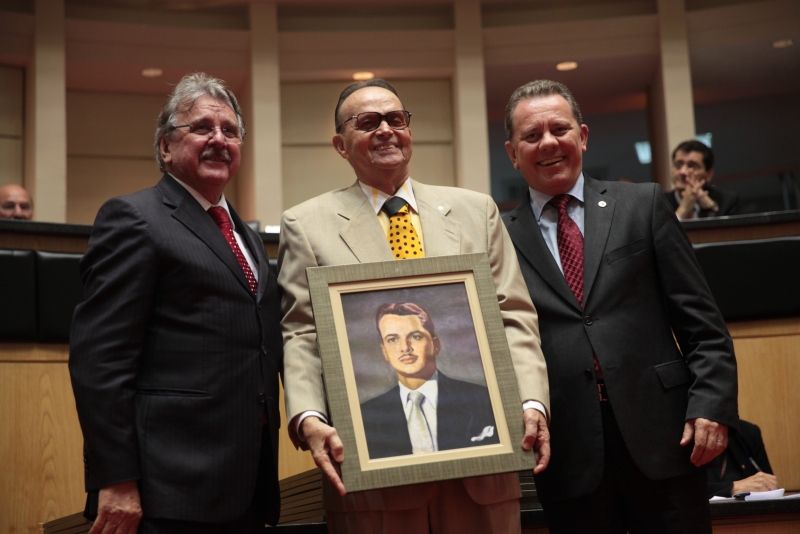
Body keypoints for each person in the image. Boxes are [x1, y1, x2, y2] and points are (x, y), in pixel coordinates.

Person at [278, 78, 550, 534]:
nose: (386, 130)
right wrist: (308, 417)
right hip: (374, 480)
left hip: (480, 471)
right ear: (340, 145)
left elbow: (514, 315)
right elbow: (302, 332)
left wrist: (530, 401)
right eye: (368, 122)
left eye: (396, 119)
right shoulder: (306, 225)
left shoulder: (475, 211)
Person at [502, 79, 738, 533]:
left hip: (667, 440)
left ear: (583, 137)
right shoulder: (500, 236)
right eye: (532, 136)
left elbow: (703, 326)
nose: (548, 142)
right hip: (568, 455)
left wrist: (711, 404)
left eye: (559, 129)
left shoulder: (642, 205)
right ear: (513, 153)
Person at [69, 72, 283, 534]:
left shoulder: (245, 234)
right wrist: (117, 478)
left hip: (244, 485)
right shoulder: (133, 218)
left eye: (230, 130)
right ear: (165, 146)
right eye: (202, 128)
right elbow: (100, 361)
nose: (219, 140)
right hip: (167, 491)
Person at [361, 301, 499, 460]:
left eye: (415, 336)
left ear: (435, 345)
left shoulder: (483, 399)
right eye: (392, 339)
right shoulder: (366, 416)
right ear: (384, 351)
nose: (405, 348)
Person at [667, 140, 739, 219]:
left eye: (692, 166)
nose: (683, 172)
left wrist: (711, 207)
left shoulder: (726, 200)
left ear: (709, 174)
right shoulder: (659, 203)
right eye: (679, 165)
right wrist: (683, 209)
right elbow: (663, 231)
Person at [707, 419, 778, 498]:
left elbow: (769, 486)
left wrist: (768, 484)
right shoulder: (691, 431)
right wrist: (733, 487)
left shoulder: (748, 432)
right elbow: (691, 491)